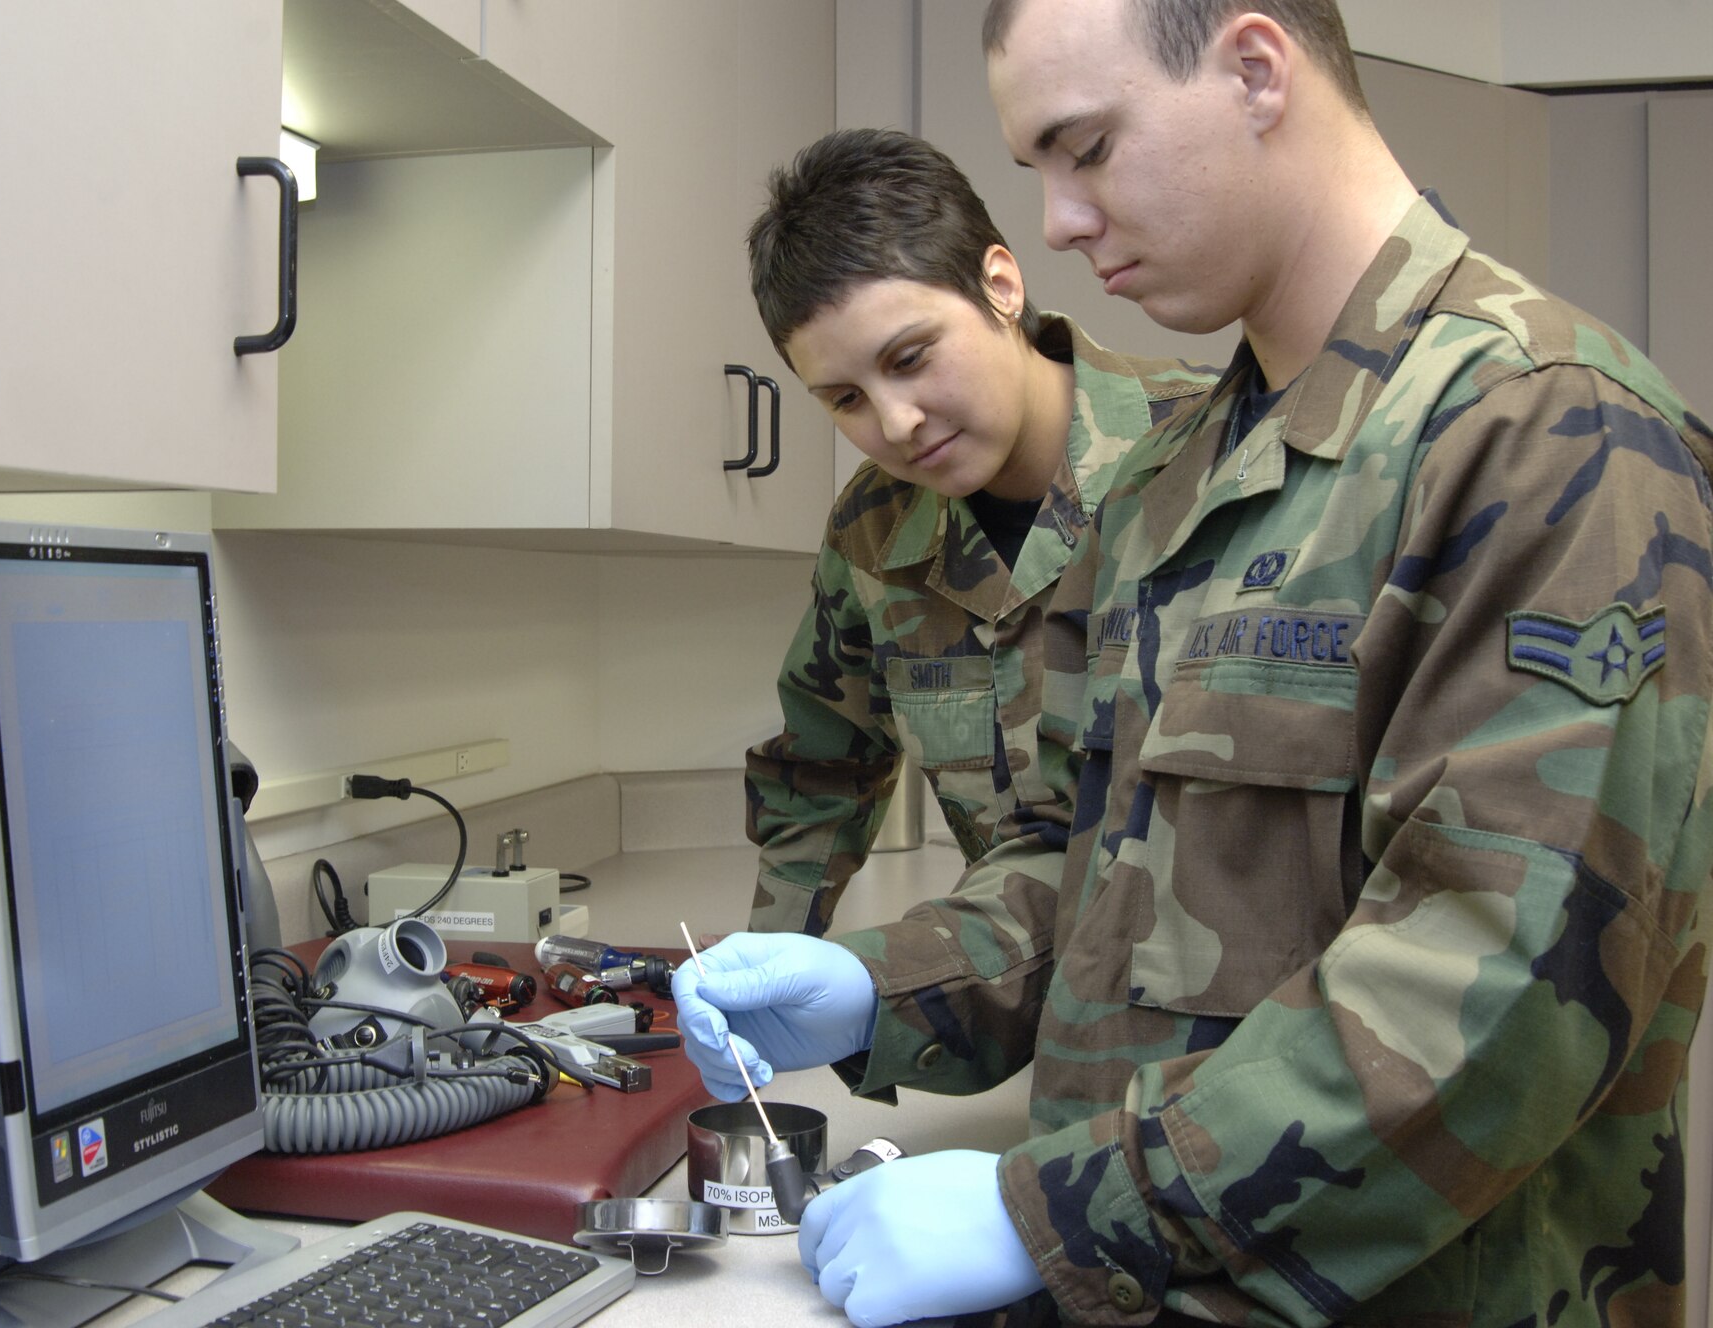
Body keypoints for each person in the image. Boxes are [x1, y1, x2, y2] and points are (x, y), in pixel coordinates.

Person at [673, 2, 1713, 1325]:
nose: (1053, 224)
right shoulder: (1178, 482)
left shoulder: (1546, 437)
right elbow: (1089, 867)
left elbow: (1500, 993)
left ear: (1256, 69)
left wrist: (1053, 1211)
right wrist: (881, 988)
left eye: (1086, 148)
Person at [741, 127, 1213, 936]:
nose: (898, 422)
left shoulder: (1209, 452)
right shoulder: (874, 531)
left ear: (1000, 285)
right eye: (845, 400)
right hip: (1014, 1003)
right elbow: (823, 770)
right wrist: (774, 966)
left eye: (911, 357)